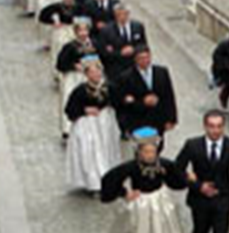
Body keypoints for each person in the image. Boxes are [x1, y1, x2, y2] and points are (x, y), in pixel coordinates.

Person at [100, 128, 187, 233]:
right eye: (146, 152)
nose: (150, 155)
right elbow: (110, 178)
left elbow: (177, 178)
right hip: (142, 204)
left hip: (160, 202)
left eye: (152, 152)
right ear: (139, 152)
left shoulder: (164, 164)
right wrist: (124, 193)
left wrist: (185, 179)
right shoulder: (132, 167)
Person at [65, 57, 120, 193]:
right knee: (89, 150)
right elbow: (69, 109)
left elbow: (119, 102)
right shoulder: (80, 91)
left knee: (106, 149)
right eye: (92, 72)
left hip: (105, 123)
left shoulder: (109, 87)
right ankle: (93, 181)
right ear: (86, 74)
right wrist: (84, 110)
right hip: (87, 124)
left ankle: (108, 177)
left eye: (98, 71)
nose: (96, 75)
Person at [116, 47, 178, 145]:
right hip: (139, 120)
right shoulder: (126, 77)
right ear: (135, 59)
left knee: (158, 146)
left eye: (147, 57)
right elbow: (123, 102)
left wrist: (171, 119)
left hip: (158, 118)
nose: (145, 61)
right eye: (141, 58)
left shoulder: (161, 72)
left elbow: (169, 96)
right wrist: (142, 102)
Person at [55, 19, 98, 138]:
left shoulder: (94, 45)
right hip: (74, 77)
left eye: (85, 30)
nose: (83, 33)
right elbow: (60, 64)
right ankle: (67, 128)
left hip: (90, 76)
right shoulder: (69, 47)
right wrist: (73, 65)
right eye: (80, 31)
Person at [96, 4, 147, 80]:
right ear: (115, 15)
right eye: (119, 15)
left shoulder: (138, 26)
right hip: (116, 68)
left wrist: (134, 49)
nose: (122, 17)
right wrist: (120, 53)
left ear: (128, 14)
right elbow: (103, 52)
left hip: (134, 65)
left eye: (124, 14)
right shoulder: (106, 30)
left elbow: (143, 45)